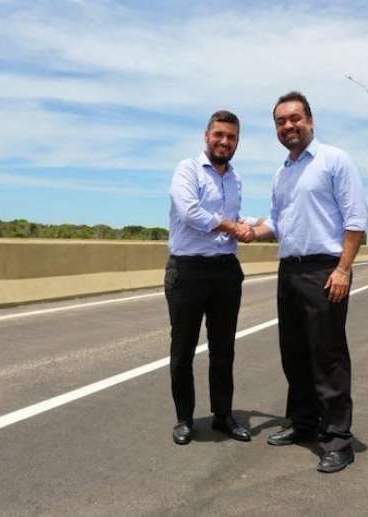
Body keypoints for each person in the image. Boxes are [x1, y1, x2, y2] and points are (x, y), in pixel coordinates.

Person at [242, 91, 367, 473]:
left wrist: (342, 269)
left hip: (324, 269)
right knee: (294, 353)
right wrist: (251, 230)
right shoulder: (283, 172)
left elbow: (355, 218)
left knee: (327, 356)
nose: (288, 126)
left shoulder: (334, 161)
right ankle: (303, 423)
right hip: (290, 270)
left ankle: (337, 440)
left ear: (310, 121)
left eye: (294, 118)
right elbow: (278, 224)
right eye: (280, 121)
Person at [165, 110, 255, 445]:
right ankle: (184, 419)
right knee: (183, 349)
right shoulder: (187, 169)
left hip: (225, 271)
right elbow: (190, 212)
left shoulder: (235, 178)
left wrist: (246, 226)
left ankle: (223, 415)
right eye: (219, 135)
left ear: (237, 142)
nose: (224, 141)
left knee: (223, 349)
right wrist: (233, 226)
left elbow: (230, 217)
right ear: (207, 136)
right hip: (187, 270)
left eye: (231, 137)